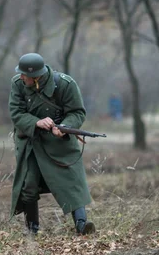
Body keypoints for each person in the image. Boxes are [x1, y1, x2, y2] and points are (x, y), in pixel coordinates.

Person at [9, 53, 95, 235]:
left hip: (59, 142)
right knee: (28, 185)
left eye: (25, 75)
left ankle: (82, 224)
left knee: (72, 183)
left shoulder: (65, 84)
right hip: (31, 142)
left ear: (36, 76)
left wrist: (65, 126)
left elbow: (77, 112)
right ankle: (32, 230)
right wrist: (36, 122)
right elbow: (16, 113)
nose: (21, 77)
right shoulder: (18, 85)